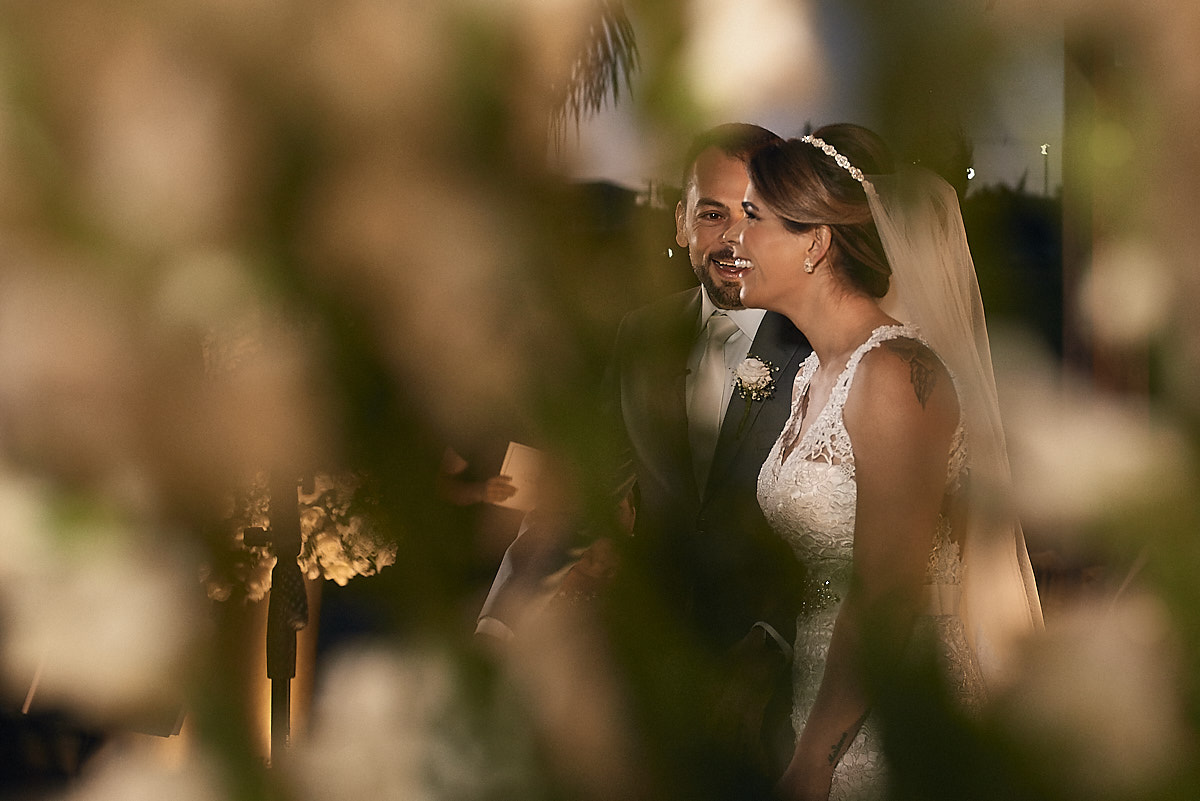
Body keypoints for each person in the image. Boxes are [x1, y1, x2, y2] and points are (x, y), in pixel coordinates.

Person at [476, 123, 814, 797]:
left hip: (781, 700)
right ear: (682, 221)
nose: (732, 237)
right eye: (712, 213)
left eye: (754, 214)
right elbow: (584, 490)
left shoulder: (817, 345)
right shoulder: (640, 335)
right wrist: (501, 618)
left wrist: (771, 647)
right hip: (646, 694)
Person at [725, 124, 1043, 800]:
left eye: (754, 220)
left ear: (815, 242)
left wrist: (814, 758)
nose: (735, 241)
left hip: (888, 728)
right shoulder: (813, 371)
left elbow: (889, 594)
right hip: (821, 703)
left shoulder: (896, 375)